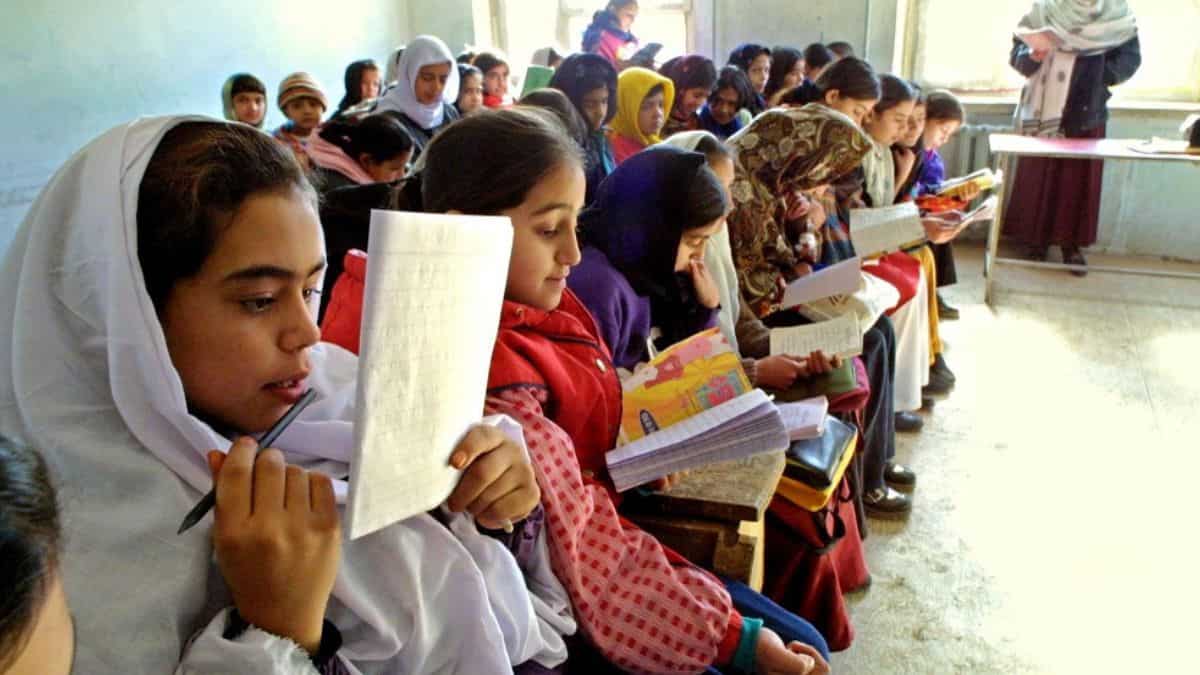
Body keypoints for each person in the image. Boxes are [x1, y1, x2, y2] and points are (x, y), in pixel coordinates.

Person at [0, 116, 573, 673]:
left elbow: (499, 615)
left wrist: (501, 511)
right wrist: (278, 634)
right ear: (128, 317)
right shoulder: (61, 557)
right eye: (259, 300)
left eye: (311, 287)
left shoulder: (336, 390)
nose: (309, 332)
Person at [725, 105, 916, 518]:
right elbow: (741, 283)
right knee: (865, 339)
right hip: (762, 317)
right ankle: (870, 481)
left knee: (879, 329)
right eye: (822, 164)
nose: (822, 178)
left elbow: (788, 253)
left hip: (782, 298)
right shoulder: (739, 189)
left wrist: (801, 231)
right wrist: (794, 273)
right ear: (798, 152)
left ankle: (877, 462)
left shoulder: (772, 180)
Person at [1005, 0, 1140, 273]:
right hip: (1043, 110)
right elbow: (1017, 52)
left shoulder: (1116, 14)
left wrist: (1095, 72)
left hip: (1087, 109)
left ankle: (1071, 246)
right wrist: (1032, 55)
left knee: (1078, 181)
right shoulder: (1044, 8)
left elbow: (1129, 60)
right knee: (1040, 173)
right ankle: (1034, 241)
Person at [914, 89, 976, 319]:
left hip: (920, 206)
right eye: (943, 130)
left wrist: (954, 194)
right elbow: (911, 192)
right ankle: (932, 292)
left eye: (949, 134)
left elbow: (931, 187)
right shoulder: (910, 150)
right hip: (910, 210)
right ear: (925, 120)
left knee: (943, 223)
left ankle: (935, 291)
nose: (944, 139)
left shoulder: (932, 156)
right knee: (934, 226)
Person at [375, 34, 461, 162]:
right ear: (409, 74)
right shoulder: (389, 121)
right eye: (427, 78)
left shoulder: (448, 112)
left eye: (443, 79)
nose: (436, 87)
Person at [549, 53, 619, 203]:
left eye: (605, 101)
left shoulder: (599, 138)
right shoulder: (563, 148)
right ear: (569, 102)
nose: (600, 112)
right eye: (589, 104)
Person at [307, 113, 413, 192]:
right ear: (367, 161)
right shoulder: (341, 190)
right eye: (394, 169)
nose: (402, 176)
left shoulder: (352, 151)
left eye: (405, 166)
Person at [607, 66, 673, 164]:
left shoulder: (654, 143)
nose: (658, 114)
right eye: (646, 107)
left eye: (661, 105)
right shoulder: (613, 154)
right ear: (625, 108)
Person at [273, 72, 328, 171]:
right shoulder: (276, 143)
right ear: (286, 112)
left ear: (322, 108)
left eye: (313, 104)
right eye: (297, 106)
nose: (307, 111)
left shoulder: (334, 137)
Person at [659, 54, 717, 137]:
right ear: (679, 89)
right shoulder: (658, 120)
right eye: (697, 95)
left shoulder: (695, 122)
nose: (701, 102)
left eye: (707, 96)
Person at [699, 66, 755, 140]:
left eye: (731, 104)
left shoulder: (741, 126)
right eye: (718, 101)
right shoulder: (696, 123)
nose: (724, 110)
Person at [581, 0, 640, 69]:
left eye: (635, 16)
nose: (633, 20)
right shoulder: (597, 37)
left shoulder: (630, 40)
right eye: (629, 15)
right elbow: (597, 73)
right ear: (613, 10)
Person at [726, 43, 771, 114]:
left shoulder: (758, 101)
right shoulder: (731, 105)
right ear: (740, 72)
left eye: (766, 70)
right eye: (756, 70)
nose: (764, 77)